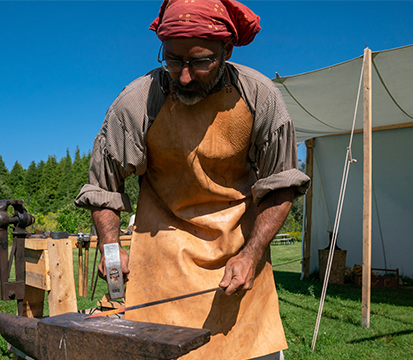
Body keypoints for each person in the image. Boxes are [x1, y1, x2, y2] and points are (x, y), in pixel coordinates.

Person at [75, 0, 310, 358]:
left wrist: (251, 255)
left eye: (200, 61)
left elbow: (283, 185)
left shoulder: (260, 97)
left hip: (239, 259)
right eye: (172, 60)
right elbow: (105, 185)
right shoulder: (138, 102)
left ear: (226, 50)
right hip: (161, 261)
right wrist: (111, 250)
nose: (184, 75)